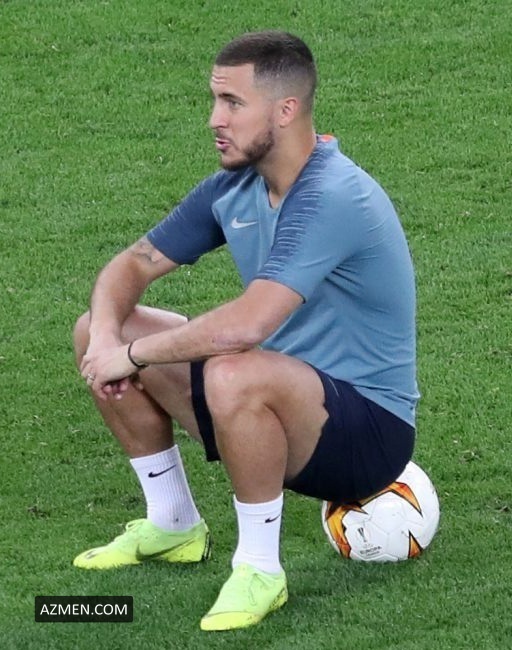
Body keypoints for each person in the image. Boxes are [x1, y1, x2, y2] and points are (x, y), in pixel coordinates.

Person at [73, 30, 419, 631]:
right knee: (96, 327)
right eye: (215, 100)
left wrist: (132, 355)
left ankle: (260, 569)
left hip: (367, 434)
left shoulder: (332, 194)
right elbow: (131, 265)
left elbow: (249, 323)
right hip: (276, 404)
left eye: (232, 102)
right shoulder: (236, 185)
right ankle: (172, 523)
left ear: (285, 110)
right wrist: (107, 337)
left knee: (233, 367)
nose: (215, 119)